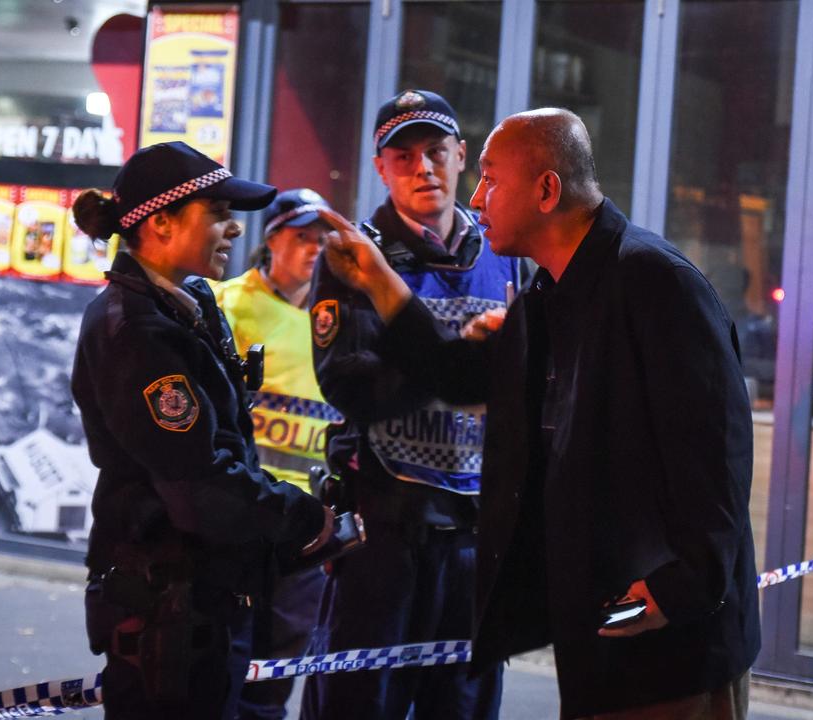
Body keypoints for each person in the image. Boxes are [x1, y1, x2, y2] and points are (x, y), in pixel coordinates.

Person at [313, 108, 760, 719]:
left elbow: (718, 451)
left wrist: (676, 590)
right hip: (602, 633)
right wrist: (383, 282)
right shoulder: (553, 292)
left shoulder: (654, 282)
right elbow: (460, 375)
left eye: (491, 179)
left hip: (666, 641)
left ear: (547, 190)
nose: (476, 195)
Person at [71, 141, 334, 720]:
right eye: (217, 213)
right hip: (167, 606)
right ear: (161, 223)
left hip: (204, 597)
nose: (235, 230)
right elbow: (199, 485)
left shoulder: (187, 301)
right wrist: (307, 519)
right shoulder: (135, 331)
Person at [299, 89, 517, 720]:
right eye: (404, 156)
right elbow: (348, 387)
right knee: (359, 703)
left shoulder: (504, 252)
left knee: (465, 705)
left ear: (461, 158)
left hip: (475, 537)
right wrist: (458, 365)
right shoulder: (353, 259)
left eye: (435, 152)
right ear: (381, 166)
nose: (422, 168)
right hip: (384, 535)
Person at [211, 188, 344, 720]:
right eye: (302, 237)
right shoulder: (227, 304)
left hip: (304, 529)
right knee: (224, 666)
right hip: (241, 517)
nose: (315, 248)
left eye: (322, 239)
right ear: (271, 241)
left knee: (278, 674)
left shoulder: (333, 316)